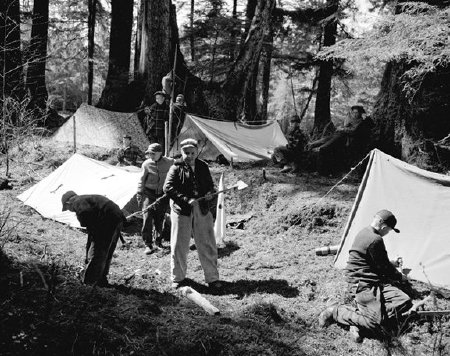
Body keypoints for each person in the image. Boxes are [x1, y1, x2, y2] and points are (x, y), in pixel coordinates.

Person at [319, 209, 412, 343]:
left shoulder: (365, 232)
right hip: (362, 283)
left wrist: (393, 263)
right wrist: (400, 277)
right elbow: (384, 268)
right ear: (384, 227)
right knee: (375, 323)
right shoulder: (375, 239)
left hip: (372, 280)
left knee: (404, 301)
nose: (387, 233)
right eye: (389, 230)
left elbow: (378, 261)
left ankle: (360, 318)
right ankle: (336, 311)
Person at [163, 138, 222, 290]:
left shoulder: (203, 166)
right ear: (181, 152)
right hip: (182, 210)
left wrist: (210, 193)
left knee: (207, 243)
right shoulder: (175, 167)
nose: (189, 156)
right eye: (186, 153)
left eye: (192, 153)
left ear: (197, 152)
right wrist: (185, 199)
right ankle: (178, 278)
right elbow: (168, 188)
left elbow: (210, 185)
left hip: (201, 208)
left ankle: (213, 278)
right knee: (179, 245)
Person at [61, 191, 125, 286]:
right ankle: (101, 279)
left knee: (97, 251)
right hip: (117, 217)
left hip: (107, 219)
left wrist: (91, 246)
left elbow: (88, 221)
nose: (70, 211)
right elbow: (92, 226)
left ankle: (90, 282)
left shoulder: (78, 202)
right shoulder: (86, 199)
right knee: (106, 250)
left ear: (68, 203)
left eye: (67, 209)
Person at [307, 105, 372, 174]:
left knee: (325, 147)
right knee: (330, 138)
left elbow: (353, 131)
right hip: (342, 137)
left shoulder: (362, 121)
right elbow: (345, 126)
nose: (355, 114)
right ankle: (314, 144)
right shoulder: (351, 119)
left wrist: (343, 129)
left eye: (356, 113)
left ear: (360, 113)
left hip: (348, 140)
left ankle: (318, 148)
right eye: (353, 112)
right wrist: (342, 128)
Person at [137, 143, 174, 255]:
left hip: (162, 195)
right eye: (149, 154)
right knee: (147, 217)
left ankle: (158, 242)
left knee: (160, 218)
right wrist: (139, 193)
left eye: (153, 154)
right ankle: (148, 244)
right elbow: (141, 180)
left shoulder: (169, 162)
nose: (151, 156)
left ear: (160, 153)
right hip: (149, 194)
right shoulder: (146, 164)